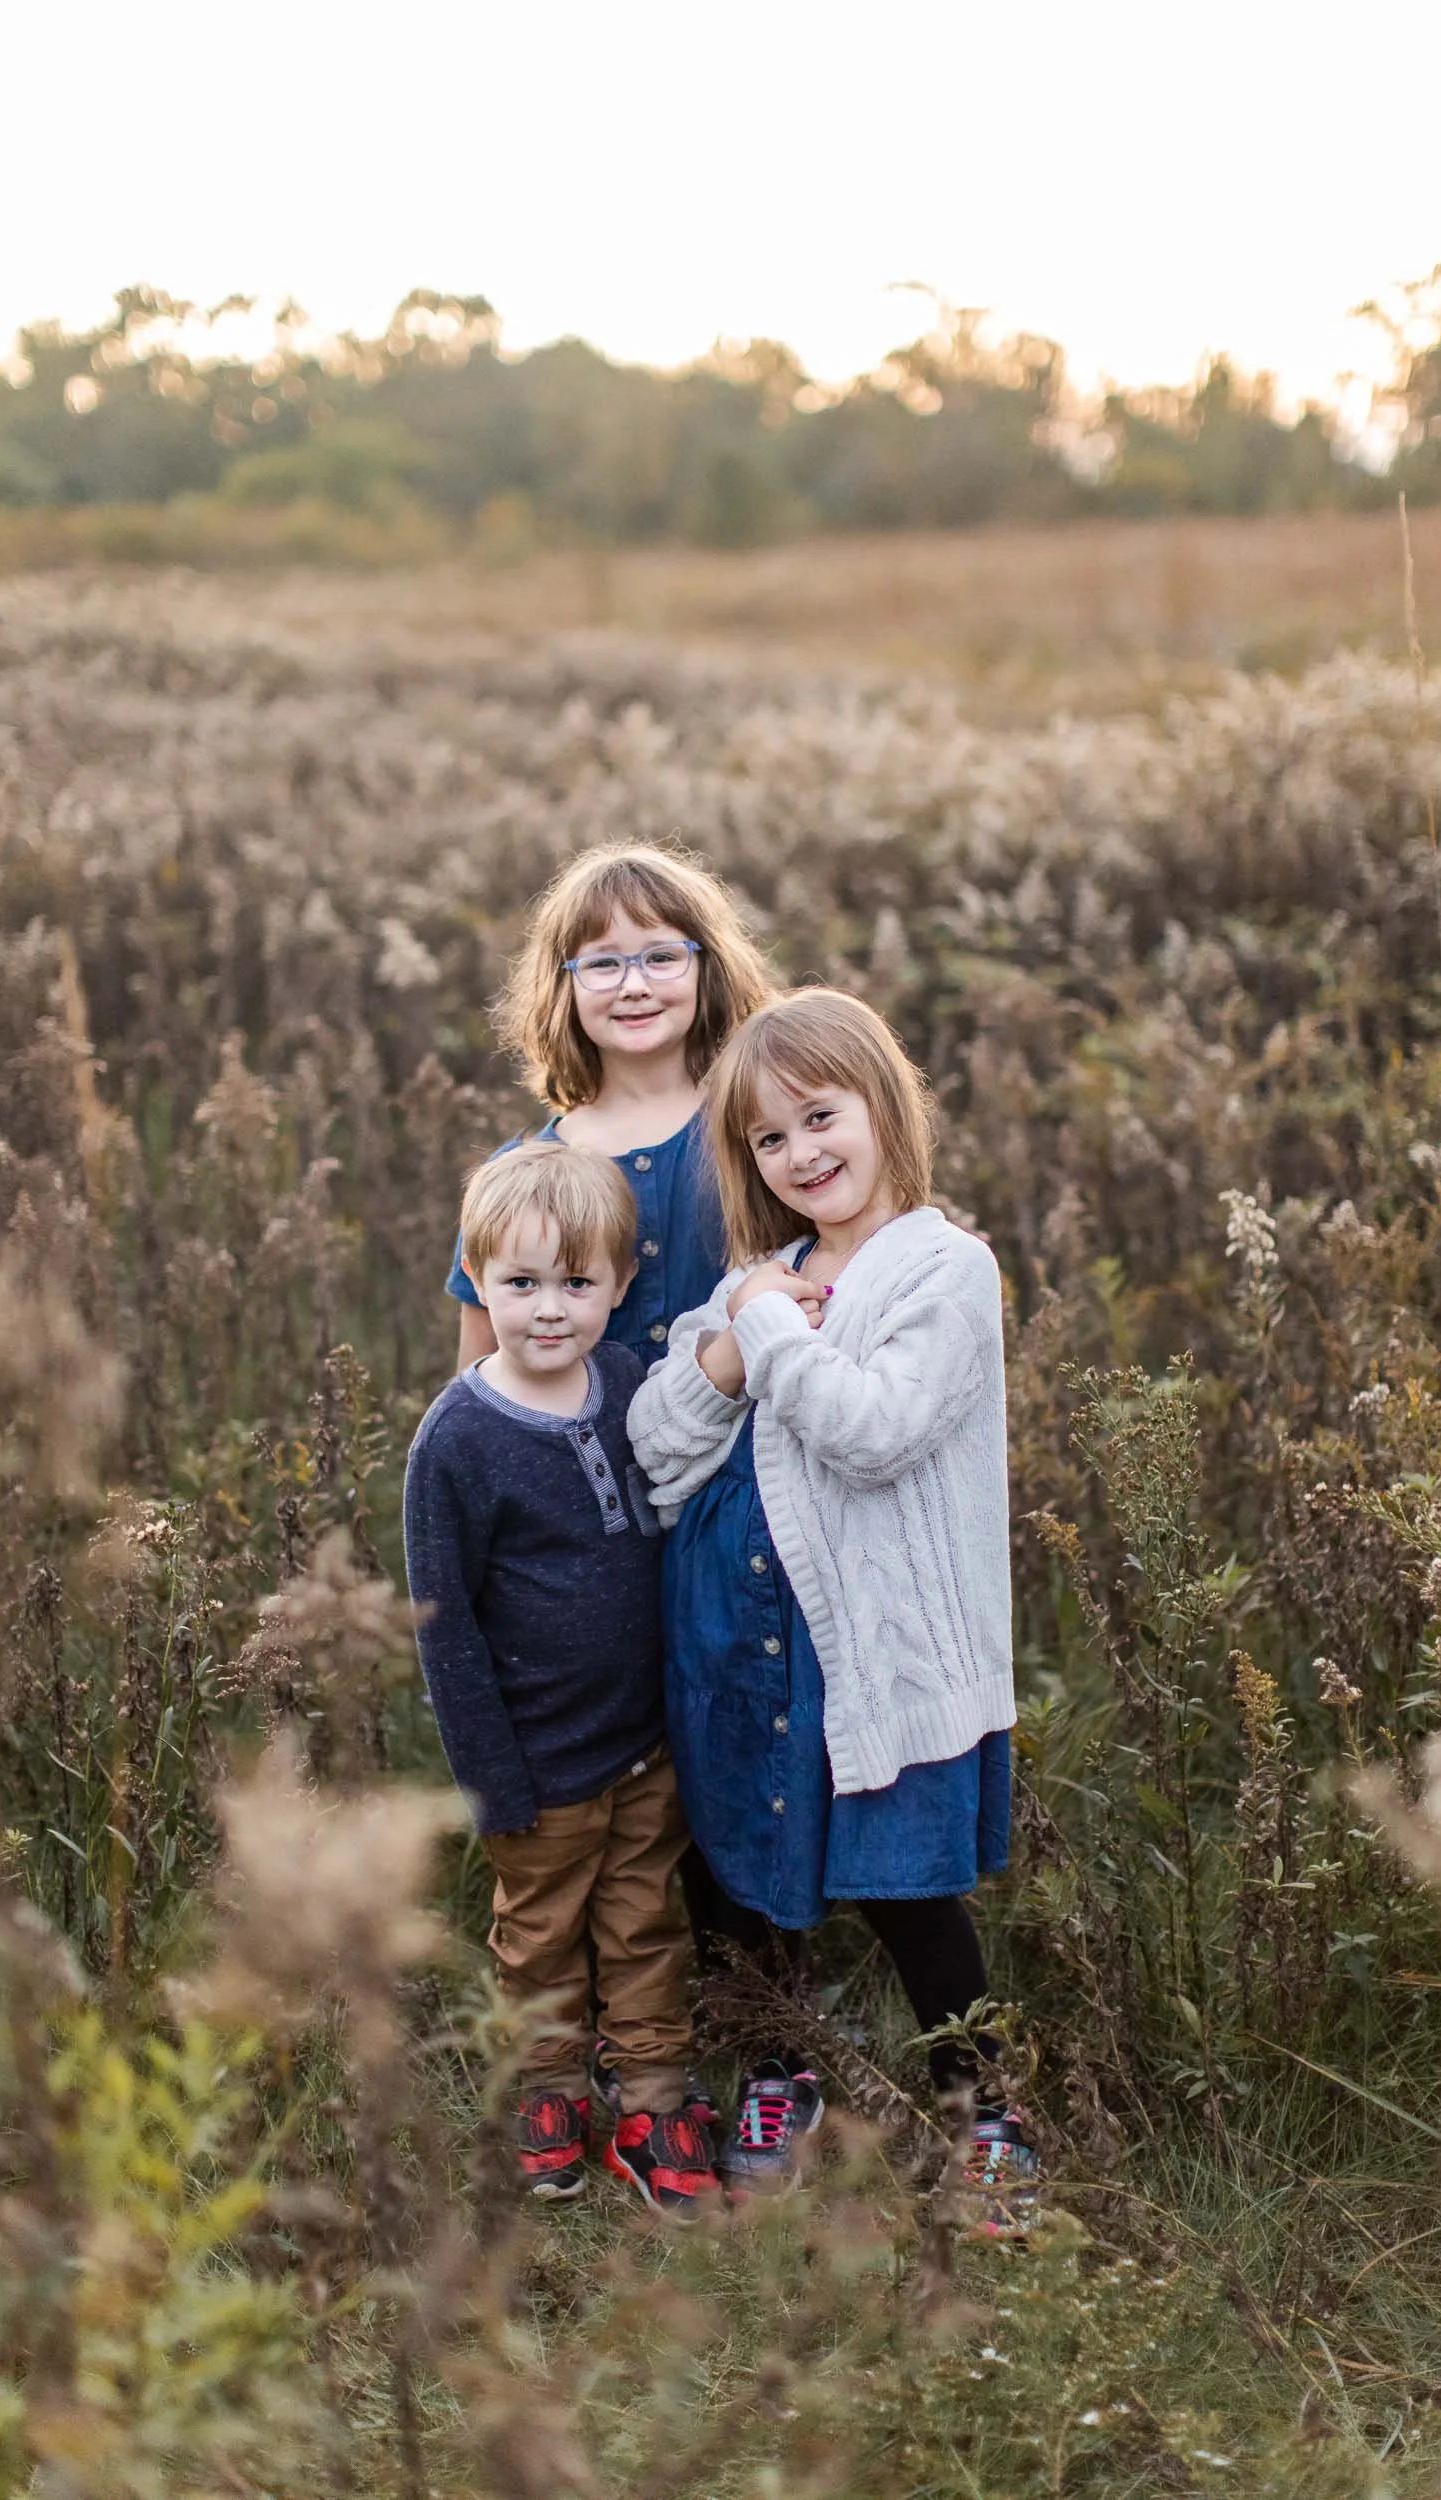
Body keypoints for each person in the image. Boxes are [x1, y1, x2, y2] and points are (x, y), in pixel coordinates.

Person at [626, 988, 1039, 2235]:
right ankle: (778, 2068)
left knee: (902, 1879)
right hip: (732, 1637)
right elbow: (657, 1445)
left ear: (880, 1106)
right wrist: (730, 1349)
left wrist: (773, 1343)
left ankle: (989, 2113)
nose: (802, 1153)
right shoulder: (761, 1281)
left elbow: (874, 1435)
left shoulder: (941, 1267)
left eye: (821, 1116)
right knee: (736, 1867)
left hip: (870, 1647)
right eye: (768, 1140)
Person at [404, 1142, 718, 2215]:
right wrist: (490, 1778)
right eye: (519, 1283)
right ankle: (546, 2088)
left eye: (577, 1284)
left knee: (643, 1925)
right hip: (535, 1760)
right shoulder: (457, 1439)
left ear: (620, 1286)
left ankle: (654, 2098)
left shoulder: (624, 1379)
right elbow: (442, 1628)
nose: (548, 1310)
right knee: (540, 1936)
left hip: (643, 1745)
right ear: (477, 1282)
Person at [446, 842, 773, 1373]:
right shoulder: (517, 1178)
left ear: (706, 967)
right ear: (563, 985)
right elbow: (478, 1388)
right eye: (603, 964)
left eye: (662, 957)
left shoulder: (761, 1130)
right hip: (579, 1458)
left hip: (754, 1451)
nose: (635, 986)